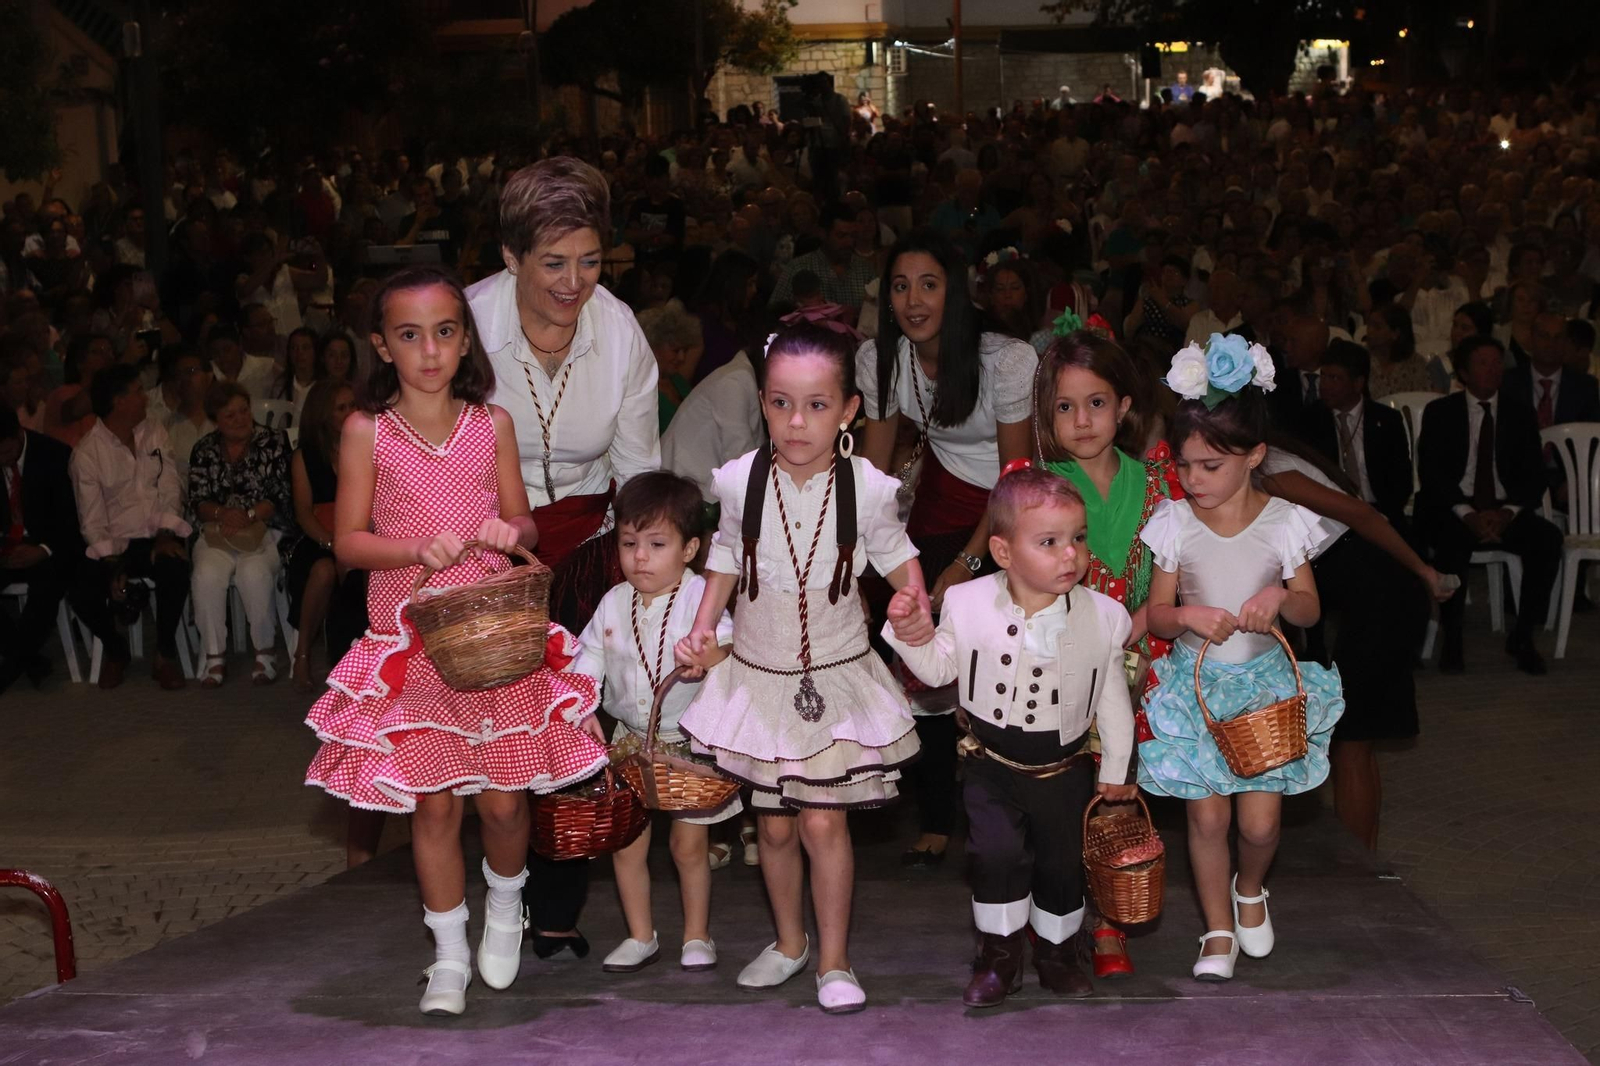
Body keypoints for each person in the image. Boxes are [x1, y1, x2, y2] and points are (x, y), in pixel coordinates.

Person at [302, 266, 609, 1018]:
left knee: (505, 804)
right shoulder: (365, 430)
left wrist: (513, 531)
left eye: (444, 332)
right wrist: (412, 551)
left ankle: (507, 903)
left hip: (490, 635)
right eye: (410, 336)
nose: (430, 351)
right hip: (412, 637)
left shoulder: (490, 424)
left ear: (464, 338)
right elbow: (346, 542)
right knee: (433, 808)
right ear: (382, 346)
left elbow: (526, 523)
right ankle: (447, 952)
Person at [675, 320, 930, 1015]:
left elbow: (899, 553)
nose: (797, 421)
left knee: (822, 821)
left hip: (839, 676)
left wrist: (914, 597)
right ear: (763, 402)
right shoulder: (738, 481)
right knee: (776, 827)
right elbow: (725, 556)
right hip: (759, 677)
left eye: (817, 405)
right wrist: (703, 629)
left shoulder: (868, 488)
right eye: (781, 403)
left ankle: (835, 959)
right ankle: (789, 944)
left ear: (849, 411)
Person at [465, 157, 658, 962]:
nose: (574, 282)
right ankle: (494, 890)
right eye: (552, 263)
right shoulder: (466, 322)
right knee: (495, 736)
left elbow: (639, 479)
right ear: (510, 257)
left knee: (579, 719)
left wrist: (635, 577)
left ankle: (557, 902)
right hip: (478, 542)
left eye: (589, 260)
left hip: (586, 543)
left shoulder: (621, 335)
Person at [885, 464, 1137, 1005]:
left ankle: (1057, 955)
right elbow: (935, 673)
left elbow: (1113, 699)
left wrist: (1116, 772)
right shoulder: (966, 602)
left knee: (1061, 864)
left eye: (1078, 538)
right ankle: (999, 959)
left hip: (1065, 768)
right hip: (990, 764)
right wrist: (909, 634)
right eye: (1049, 542)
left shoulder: (1106, 616)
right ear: (1003, 553)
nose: (1070, 554)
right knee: (996, 856)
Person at [1138, 341, 1345, 981]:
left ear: (1254, 456)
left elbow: (1310, 610)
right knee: (1206, 815)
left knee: (1258, 825)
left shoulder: (1285, 522)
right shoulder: (1176, 521)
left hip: (1262, 692)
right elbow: (1158, 613)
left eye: (1209, 466)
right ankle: (1216, 930)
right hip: (1196, 687)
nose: (1192, 479)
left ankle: (1249, 888)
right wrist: (1188, 618)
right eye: (1185, 464)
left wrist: (1280, 594)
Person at [858, 229, 1038, 867]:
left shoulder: (1006, 359)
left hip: (1011, 506)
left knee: (1000, 656)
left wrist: (968, 563)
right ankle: (935, 810)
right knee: (915, 634)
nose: (913, 299)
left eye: (928, 284)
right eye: (900, 286)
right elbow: (875, 474)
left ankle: (1015, 800)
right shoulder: (881, 358)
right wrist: (851, 555)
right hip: (938, 500)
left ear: (955, 294)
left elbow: (1016, 474)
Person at [1034, 327, 1183, 980]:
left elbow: (1178, 574)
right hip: (1058, 662)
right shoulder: (1035, 486)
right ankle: (1057, 917)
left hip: (1138, 660)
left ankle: (1109, 923)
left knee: (1118, 797)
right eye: (1065, 407)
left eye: (1096, 403)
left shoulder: (1160, 484)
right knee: (1061, 802)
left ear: (1125, 406)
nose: (1082, 420)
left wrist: (1137, 623)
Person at [572, 473, 739, 974]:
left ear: (690, 548)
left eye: (656, 544)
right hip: (627, 742)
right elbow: (588, 657)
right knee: (626, 842)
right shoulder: (611, 602)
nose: (639, 557)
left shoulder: (699, 598)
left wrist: (707, 653)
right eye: (629, 543)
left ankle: (696, 934)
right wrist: (583, 708)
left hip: (687, 744)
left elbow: (727, 646)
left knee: (688, 845)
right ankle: (640, 934)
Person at [1417, 335, 1563, 676]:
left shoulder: (1519, 412)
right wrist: (1466, 512)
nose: (1493, 370)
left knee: (1548, 540)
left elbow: (1534, 474)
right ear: (1464, 373)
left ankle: (1524, 634)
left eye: (1498, 363)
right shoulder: (1441, 412)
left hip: (1503, 508)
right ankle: (1452, 638)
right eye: (1483, 363)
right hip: (1456, 508)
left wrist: (1508, 512)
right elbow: (1432, 472)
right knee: (1450, 545)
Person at [68, 364, 191, 690]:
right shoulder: (87, 454)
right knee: (78, 586)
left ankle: (164, 653)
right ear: (118, 401)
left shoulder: (155, 432)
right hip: (115, 543)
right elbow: (91, 521)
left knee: (175, 566)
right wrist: (112, 565)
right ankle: (115, 648)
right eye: (137, 392)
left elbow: (170, 487)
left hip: (155, 534)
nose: (144, 398)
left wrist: (165, 534)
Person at [186, 380, 292, 686]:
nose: (240, 419)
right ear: (216, 419)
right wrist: (223, 514)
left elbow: (280, 494)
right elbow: (197, 499)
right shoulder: (204, 449)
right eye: (230, 415)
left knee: (253, 572)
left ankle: (265, 653)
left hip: (264, 530)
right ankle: (214, 656)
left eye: (243, 411)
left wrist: (246, 515)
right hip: (218, 531)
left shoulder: (272, 441)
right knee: (206, 573)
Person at [286, 379, 367, 689]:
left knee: (370, 566)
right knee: (323, 569)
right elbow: (304, 513)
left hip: (360, 533)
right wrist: (333, 543)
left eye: (353, 405)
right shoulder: (305, 456)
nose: (351, 412)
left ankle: (365, 653)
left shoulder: (363, 446)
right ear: (324, 414)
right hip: (319, 537)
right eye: (341, 407)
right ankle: (303, 653)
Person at [0, 406, 83, 692]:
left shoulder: (54, 455)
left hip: (50, 544)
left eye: (4, 452)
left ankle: (10, 667)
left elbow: (72, 520)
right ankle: (28, 658)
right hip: (7, 543)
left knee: (47, 584)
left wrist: (43, 549)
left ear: (16, 435)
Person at [1305, 340, 1415, 529]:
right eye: (1323, 376)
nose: (1324, 385)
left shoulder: (1387, 420)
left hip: (1380, 512)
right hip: (1332, 515)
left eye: (1335, 378)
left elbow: (1401, 483)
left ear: (1358, 383)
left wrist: (1379, 516)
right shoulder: (1312, 419)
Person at [768, 203, 876, 313]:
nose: (849, 242)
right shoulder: (798, 268)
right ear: (823, 234)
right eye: (841, 236)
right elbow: (774, 313)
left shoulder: (865, 270)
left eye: (853, 236)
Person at [636, 303, 704, 434]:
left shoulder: (678, 381)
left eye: (684, 350)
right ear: (653, 346)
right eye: (675, 350)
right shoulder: (642, 388)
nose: (682, 358)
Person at [1362, 303, 1431, 400]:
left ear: (1395, 334)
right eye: (1369, 325)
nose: (1369, 331)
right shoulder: (1360, 359)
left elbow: (1422, 399)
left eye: (1377, 327)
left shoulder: (1416, 363)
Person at [272, 326, 321, 422]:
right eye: (294, 348)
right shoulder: (281, 386)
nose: (299, 353)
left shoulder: (325, 386)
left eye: (305, 348)